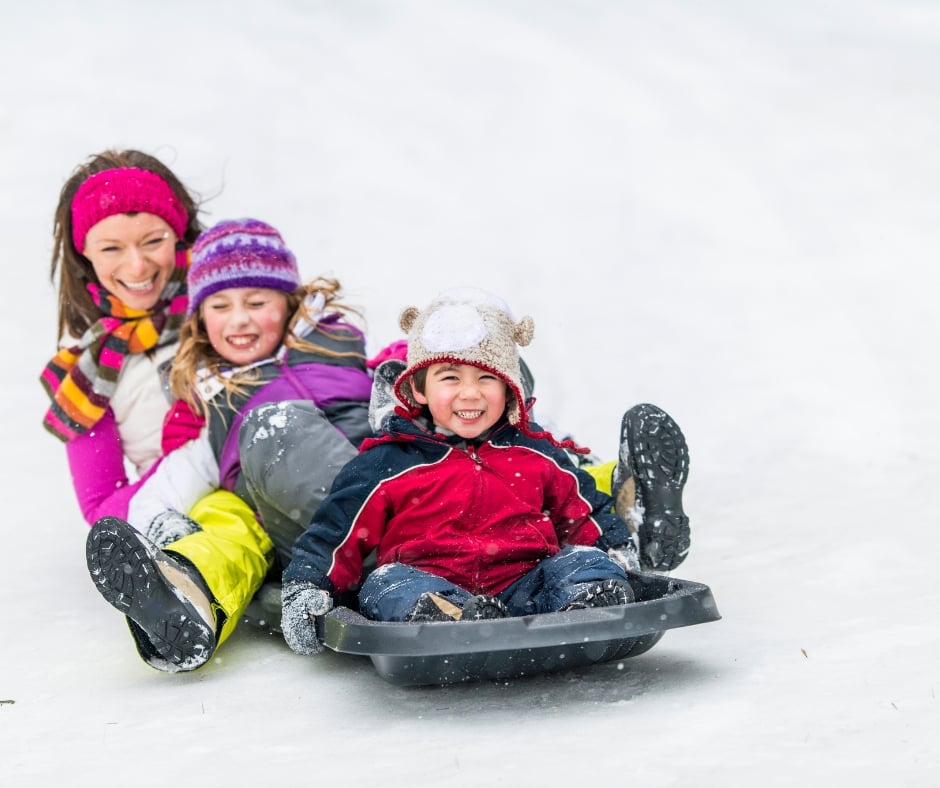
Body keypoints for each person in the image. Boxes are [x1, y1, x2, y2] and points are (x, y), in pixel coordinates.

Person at [279, 287, 690, 656]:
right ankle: (446, 619)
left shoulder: (535, 451)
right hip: (430, 583)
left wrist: (616, 552)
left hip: (529, 584)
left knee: (582, 561)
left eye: (487, 378)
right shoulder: (386, 462)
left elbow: (583, 511)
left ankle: (585, 603)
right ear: (418, 389)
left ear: (510, 387)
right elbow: (334, 535)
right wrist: (307, 588)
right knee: (385, 585)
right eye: (450, 377)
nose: (470, 392)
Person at [83, 217, 375, 671]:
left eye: (257, 302)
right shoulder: (214, 407)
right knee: (247, 475)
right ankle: (183, 595)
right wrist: (162, 525)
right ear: (200, 318)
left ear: (289, 302)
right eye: (219, 305)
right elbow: (165, 485)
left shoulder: (341, 350)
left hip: (392, 496)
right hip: (310, 535)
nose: (239, 319)